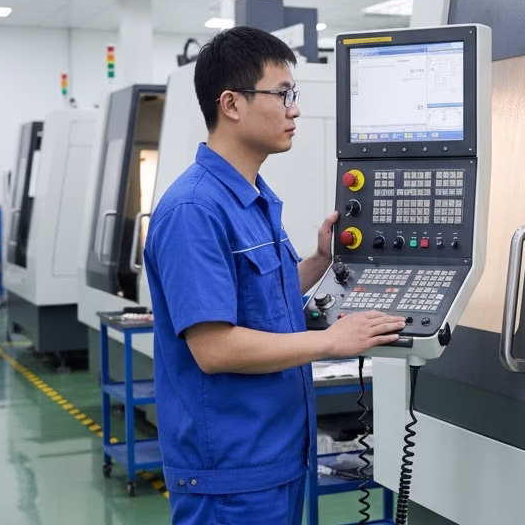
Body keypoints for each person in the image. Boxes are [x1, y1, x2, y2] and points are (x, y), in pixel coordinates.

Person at [143, 26, 407, 524]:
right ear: (232, 104)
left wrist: (318, 263)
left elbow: (259, 298)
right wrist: (333, 342)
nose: (295, 109)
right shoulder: (195, 209)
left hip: (275, 459)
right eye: (282, 93)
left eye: (294, 94)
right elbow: (215, 348)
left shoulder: (253, 199)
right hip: (229, 474)